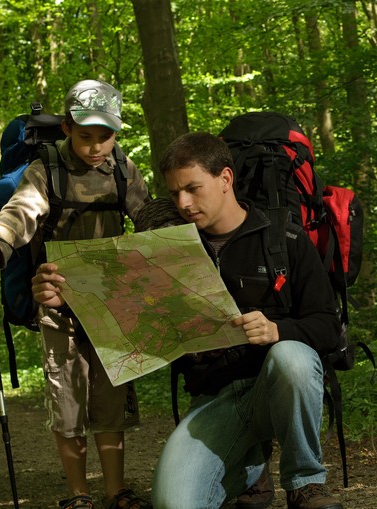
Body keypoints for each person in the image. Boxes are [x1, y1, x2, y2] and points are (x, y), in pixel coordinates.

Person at [0, 79, 152, 509]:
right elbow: (19, 215)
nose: (96, 147)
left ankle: (115, 491)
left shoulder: (125, 169)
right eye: (86, 136)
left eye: (106, 137)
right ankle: (77, 495)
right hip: (59, 303)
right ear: (67, 128)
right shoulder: (44, 170)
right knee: (67, 402)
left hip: (111, 301)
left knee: (110, 402)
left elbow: (148, 219)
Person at [131, 132, 346, 509]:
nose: (183, 202)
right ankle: (249, 470)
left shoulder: (286, 239)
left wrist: (277, 330)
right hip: (214, 399)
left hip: (274, 386)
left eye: (193, 188)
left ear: (225, 179)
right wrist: (61, 298)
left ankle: (305, 483)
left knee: (292, 356)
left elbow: (328, 327)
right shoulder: (170, 251)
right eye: (175, 192)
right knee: (173, 503)